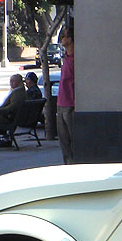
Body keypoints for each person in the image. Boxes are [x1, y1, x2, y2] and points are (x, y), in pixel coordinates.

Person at [57, 22, 75, 164]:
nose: (62, 38)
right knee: (64, 140)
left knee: (72, 139)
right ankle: (68, 164)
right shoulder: (66, 58)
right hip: (62, 103)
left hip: (70, 104)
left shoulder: (75, 59)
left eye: (64, 36)